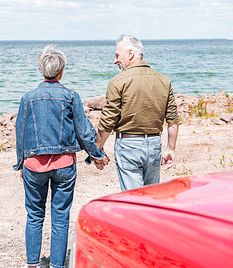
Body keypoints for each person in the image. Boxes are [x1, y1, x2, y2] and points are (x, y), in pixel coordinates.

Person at [14, 45, 108, 268]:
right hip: (64, 165)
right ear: (61, 71)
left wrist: (20, 164)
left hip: (34, 165)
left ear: (41, 70)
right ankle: (57, 265)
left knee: (35, 215)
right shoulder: (70, 96)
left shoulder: (27, 98)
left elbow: (21, 133)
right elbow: (83, 131)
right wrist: (96, 154)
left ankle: (32, 264)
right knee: (60, 216)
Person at [96, 35, 179, 191]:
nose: (115, 61)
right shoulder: (164, 80)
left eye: (117, 55)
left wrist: (97, 148)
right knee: (150, 197)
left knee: (133, 200)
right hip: (154, 145)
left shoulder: (118, 81)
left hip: (128, 146)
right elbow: (173, 120)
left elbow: (108, 120)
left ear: (130, 54)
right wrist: (170, 149)